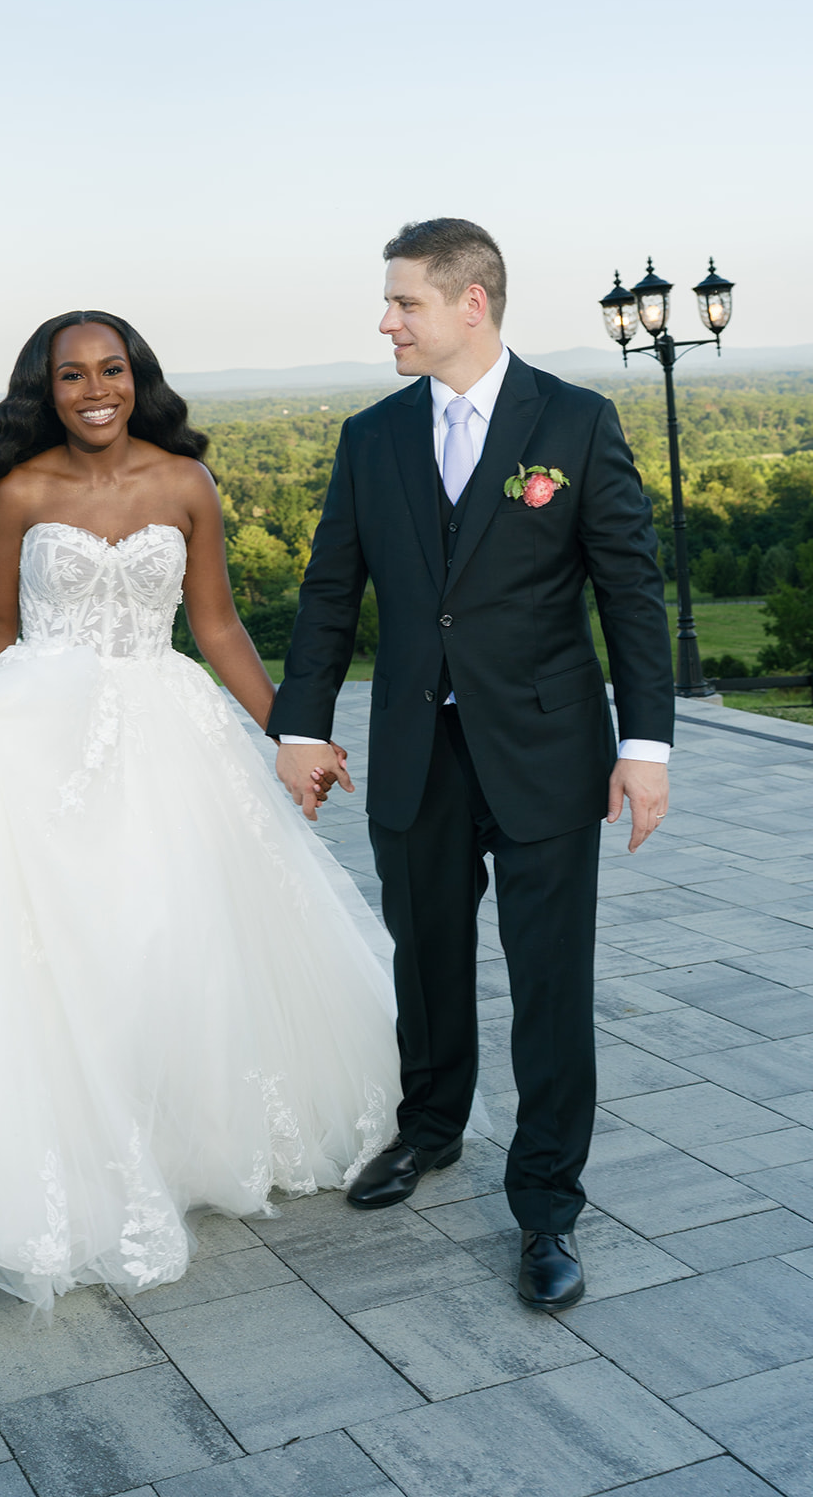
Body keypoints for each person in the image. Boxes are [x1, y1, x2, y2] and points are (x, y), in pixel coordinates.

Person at [0, 309, 401, 1310]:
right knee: (56, 947)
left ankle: (175, 1142)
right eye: (71, 375)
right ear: (44, 389)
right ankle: (71, 1152)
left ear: (137, 376)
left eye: (112, 369)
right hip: (39, 732)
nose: (96, 388)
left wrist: (289, 731)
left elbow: (217, 627)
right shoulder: (20, 491)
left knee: (168, 936)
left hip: (166, 729)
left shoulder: (186, 484)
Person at [269, 220, 674, 1312]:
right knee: (426, 958)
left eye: (404, 302)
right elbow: (327, 593)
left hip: (545, 751)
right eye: (390, 302)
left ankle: (547, 1205)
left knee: (550, 985)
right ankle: (430, 1131)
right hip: (415, 748)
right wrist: (300, 725)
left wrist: (645, 745)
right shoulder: (372, 437)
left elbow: (629, 593)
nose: (387, 320)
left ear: (471, 305)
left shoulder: (577, 425)